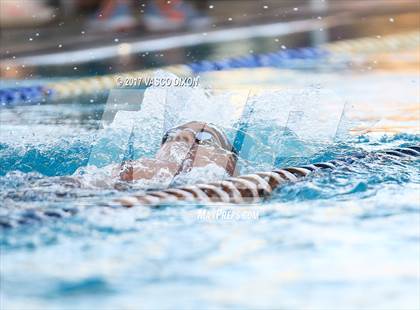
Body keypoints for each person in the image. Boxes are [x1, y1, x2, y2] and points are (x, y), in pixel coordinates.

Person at [114, 121, 238, 183]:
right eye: (171, 135)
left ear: (228, 160)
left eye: (203, 136)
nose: (182, 134)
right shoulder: (129, 170)